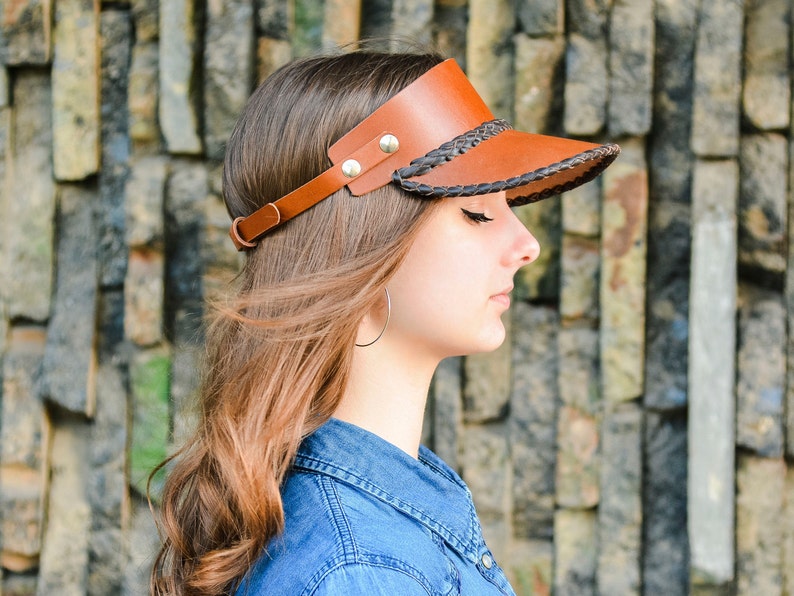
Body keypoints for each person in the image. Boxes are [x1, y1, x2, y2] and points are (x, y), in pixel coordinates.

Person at [149, 51, 619, 596]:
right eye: (478, 212)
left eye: (509, 205)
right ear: (361, 244)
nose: (527, 245)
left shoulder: (364, 535)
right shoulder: (365, 572)